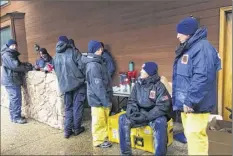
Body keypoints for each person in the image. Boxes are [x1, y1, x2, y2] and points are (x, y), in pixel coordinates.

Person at [172, 17, 222, 155]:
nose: (177, 36)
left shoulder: (202, 48)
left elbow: (203, 77)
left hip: (196, 104)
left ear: (188, 32)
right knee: (191, 136)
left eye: (180, 32)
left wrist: (190, 100)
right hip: (188, 104)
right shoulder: (191, 47)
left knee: (196, 137)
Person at [119, 62, 172, 156]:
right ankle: (126, 153)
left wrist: (146, 116)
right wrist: (133, 112)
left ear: (150, 73)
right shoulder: (137, 85)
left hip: (154, 116)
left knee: (161, 122)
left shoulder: (159, 86)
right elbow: (131, 100)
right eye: (142, 70)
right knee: (123, 118)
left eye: (144, 71)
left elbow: (163, 106)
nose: (141, 72)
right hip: (140, 114)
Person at [53, 36, 86, 138]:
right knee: (77, 106)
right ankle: (77, 128)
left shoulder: (55, 56)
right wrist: (84, 77)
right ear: (67, 42)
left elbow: (56, 71)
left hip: (65, 86)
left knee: (68, 108)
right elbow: (82, 66)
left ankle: (67, 131)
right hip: (78, 84)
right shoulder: (74, 52)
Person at [84, 40, 112, 148]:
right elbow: (98, 87)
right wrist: (106, 101)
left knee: (102, 119)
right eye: (100, 49)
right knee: (98, 121)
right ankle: (98, 141)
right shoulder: (93, 66)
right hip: (97, 100)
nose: (102, 51)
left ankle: (103, 138)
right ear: (95, 50)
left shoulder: (98, 62)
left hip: (101, 98)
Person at [1, 39, 33, 124]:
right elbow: (15, 66)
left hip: (11, 79)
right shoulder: (7, 55)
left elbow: (16, 64)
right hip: (11, 80)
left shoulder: (9, 54)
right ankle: (16, 117)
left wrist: (24, 64)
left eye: (15, 45)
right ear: (8, 46)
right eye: (12, 45)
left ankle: (14, 116)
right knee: (15, 99)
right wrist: (26, 67)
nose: (14, 47)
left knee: (13, 99)